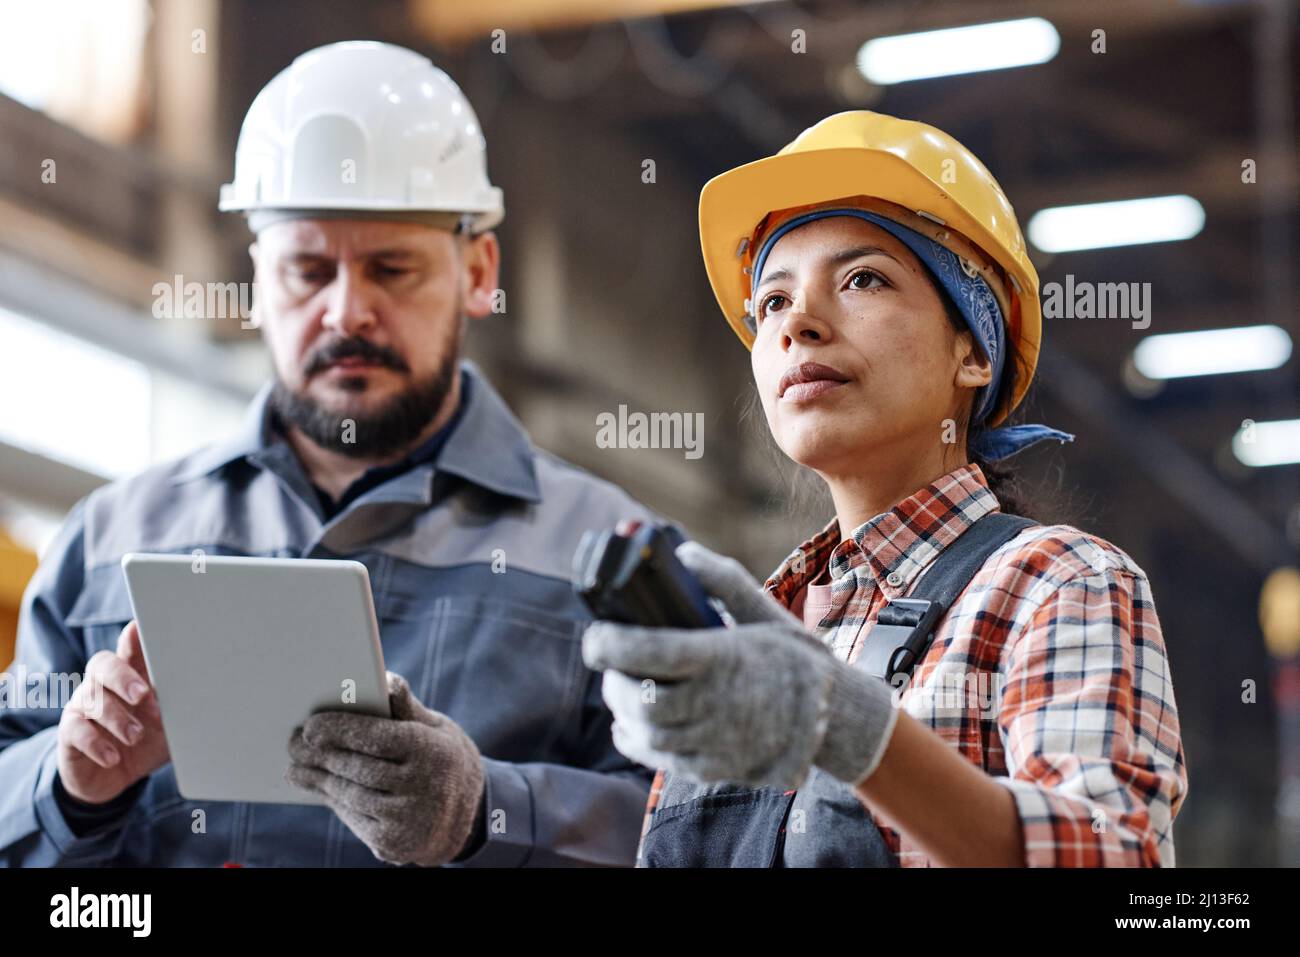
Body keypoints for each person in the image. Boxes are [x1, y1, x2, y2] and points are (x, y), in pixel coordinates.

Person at [0, 41, 655, 867]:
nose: (348, 312)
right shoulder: (106, 541)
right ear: (259, 279)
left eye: (392, 268)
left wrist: (487, 812)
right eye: (308, 269)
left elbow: (700, 831)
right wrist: (69, 791)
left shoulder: (612, 556)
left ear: (479, 270)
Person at [583, 111, 1189, 867]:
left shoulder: (1057, 584)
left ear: (972, 348)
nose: (797, 322)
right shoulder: (749, 645)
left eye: (862, 278)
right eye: (771, 301)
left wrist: (853, 732)